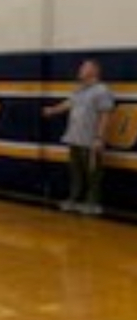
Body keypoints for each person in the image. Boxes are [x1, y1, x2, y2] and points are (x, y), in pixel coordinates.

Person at [43, 58, 114, 215]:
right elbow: (69, 104)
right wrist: (52, 110)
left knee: (92, 173)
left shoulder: (102, 91)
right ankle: (74, 199)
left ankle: (93, 203)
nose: (80, 70)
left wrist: (99, 138)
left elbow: (105, 115)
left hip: (90, 140)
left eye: (84, 68)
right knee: (76, 172)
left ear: (94, 71)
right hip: (75, 138)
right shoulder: (79, 90)